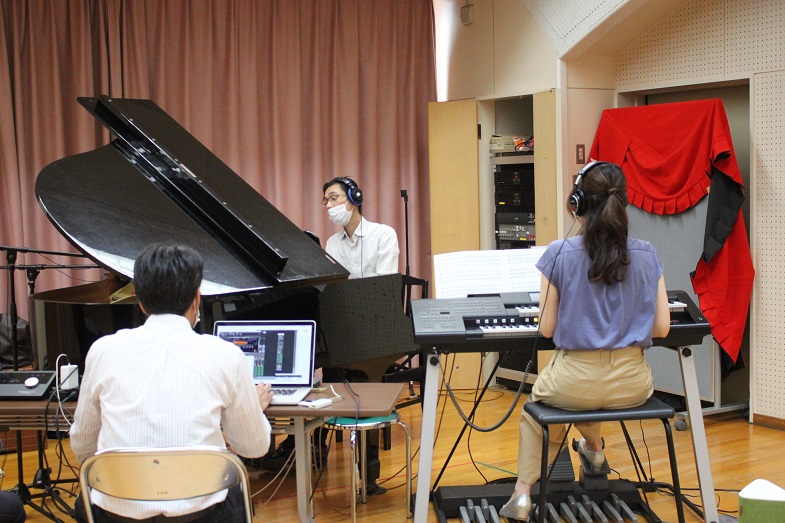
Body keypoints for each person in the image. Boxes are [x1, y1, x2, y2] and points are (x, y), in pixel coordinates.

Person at [499, 161, 671, 521]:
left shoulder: (560, 253)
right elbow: (662, 328)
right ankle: (593, 449)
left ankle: (522, 493)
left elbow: (547, 329)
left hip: (573, 380)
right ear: (623, 203)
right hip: (632, 384)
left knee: (543, 408)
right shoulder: (648, 253)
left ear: (577, 203)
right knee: (590, 398)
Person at [70, 242, 273, 523]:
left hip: (115, 515)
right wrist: (254, 411)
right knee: (235, 490)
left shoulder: (102, 350)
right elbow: (254, 448)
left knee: (84, 501)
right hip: (201, 516)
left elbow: (83, 447)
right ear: (196, 298)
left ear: (140, 301)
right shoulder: (226, 354)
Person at [268, 177, 400, 494]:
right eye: (325, 200)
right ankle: (312, 451)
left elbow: (383, 286)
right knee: (328, 370)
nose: (329, 205)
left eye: (334, 197)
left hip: (375, 328)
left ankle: (367, 474)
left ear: (354, 198)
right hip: (344, 327)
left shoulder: (383, 235)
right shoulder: (332, 243)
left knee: (360, 384)